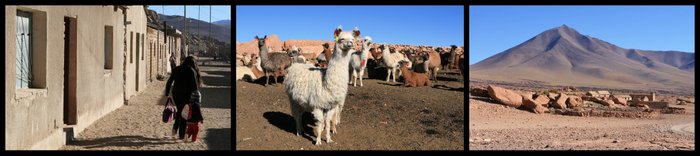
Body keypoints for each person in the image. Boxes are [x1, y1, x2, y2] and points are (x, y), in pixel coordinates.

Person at [164, 56, 202, 140]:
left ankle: (175, 128)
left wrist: (167, 93)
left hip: (176, 94)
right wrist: (196, 98)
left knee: (180, 110)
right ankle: (181, 134)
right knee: (184, 114)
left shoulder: (176, 69)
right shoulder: (191, 71)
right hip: (187, 95)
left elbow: (169, 81)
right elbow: (195, 87)